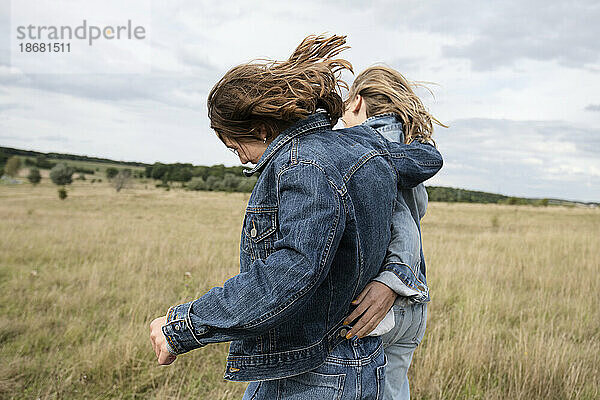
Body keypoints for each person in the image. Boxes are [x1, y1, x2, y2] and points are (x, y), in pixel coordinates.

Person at [149, 35, 443, 399]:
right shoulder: (363, 149)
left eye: (235, 145)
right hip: (354, 360)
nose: (241, 159)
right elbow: (423, 163)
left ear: (259, 129)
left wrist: (182, 327)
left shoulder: (304, 165)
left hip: (314, 370)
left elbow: (291, 271)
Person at [341, 66, 447, 400]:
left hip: (374, 302)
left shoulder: (360, 150)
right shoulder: (411, 151)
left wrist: (392, 277)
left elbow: (397, 216)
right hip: (413, 308)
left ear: (357, 102)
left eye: (344, 107)